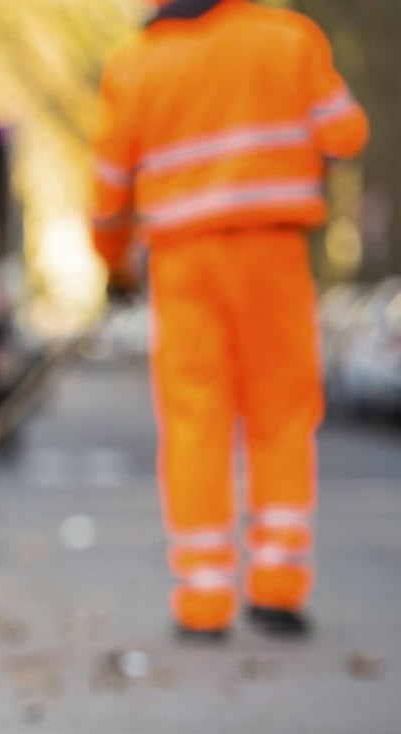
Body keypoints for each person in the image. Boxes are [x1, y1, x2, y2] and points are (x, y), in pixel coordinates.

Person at [92, 0, 367, 640]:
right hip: (272, 251)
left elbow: (109, 184)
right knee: (281, 415)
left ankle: (203, 596)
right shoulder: (290, 38)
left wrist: (115, 266)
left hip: (183, 261)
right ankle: (276, 583)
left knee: (194, 419)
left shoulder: (138, 66)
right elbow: (345, 134)